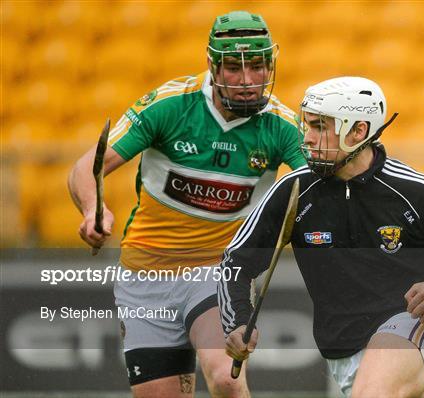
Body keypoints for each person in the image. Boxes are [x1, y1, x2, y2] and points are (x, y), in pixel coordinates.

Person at [218, 76, 424, 398]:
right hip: (342, 351)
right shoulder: (293, 191)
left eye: (320, 126)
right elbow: (235, 261)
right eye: (305, 125)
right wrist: (236, 321)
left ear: (359, 131)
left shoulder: (413, 191)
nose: (307, 138)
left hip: (407, 327)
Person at [68, 10, 305, 398]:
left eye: (260, 67)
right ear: (212, 65)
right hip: (146, 274)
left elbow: (312, 187)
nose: (248, 81)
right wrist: (94, 209)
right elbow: (83, 169)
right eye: (233, 68)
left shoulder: (281, 125)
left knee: (226, 379)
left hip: (218, 270)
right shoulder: (169, 106)